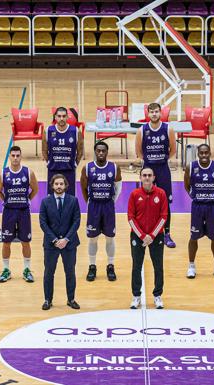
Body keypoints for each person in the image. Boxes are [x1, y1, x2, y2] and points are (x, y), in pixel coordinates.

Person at [135, 103, 177, 248]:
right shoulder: (142, 130)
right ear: (148, 114)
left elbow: (173, 149)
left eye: (156, 112)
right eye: (151, 112)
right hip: (148, 167)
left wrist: (162, 159)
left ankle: (167, 233)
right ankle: (144, 232)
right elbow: (139, 151)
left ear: (161, 113)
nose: (154, 114)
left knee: (165, 201)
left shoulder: (168, 129)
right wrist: (148, 163)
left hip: (163, 168)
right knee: (144, 200)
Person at [0, 146, 39, 283]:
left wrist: (26, 200)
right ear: (9, 157)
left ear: (21, 156)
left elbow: (35, 189)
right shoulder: (2, 173)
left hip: (23, 211)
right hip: (9, 211)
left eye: (17, 155)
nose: (15, 158)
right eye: (13, 155)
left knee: (25, 241)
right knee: (6, 242)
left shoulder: (28, 172)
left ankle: (26, 269)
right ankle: (6, 270)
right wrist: (7, 201)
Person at [80, 141, 122, 282]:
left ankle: (110, 265)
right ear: (95, 152)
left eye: (103, 151)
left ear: (107, 152)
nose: (101, 153)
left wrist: (111, 201)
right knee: (93, 238)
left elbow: (118, 188)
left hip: (108, 207)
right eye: (98, 150)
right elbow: (84, 188)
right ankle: (92, 266)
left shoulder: (114, 168)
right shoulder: (87, 168)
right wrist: (89, 203)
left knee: (110, 237)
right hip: (94, 207)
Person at [127, 167, 168, 310]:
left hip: (156, 237)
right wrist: (143, 236)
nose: (147, 178)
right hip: (138, 236)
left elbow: (164, 217)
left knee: (158, 266)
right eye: (144, 175)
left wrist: (152, 235)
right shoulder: (134, 194)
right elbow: (131, 218)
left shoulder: (161, 193)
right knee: (136, 266)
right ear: (140, 178)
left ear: (154, 177)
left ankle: (158, 295)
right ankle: (136, 296)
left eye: (149, 175)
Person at [39, 174, 81, 310]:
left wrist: (66, 239)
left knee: (70, 272)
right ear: (52, 186)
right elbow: (43, 223)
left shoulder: (73, 201)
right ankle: (47, 300)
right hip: (51, 244)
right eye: (56, 184)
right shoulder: (45, 202)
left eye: (61, 184)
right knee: (49, 273)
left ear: (65, 186)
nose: (59, 186)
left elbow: (76, 221)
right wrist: (55, 240)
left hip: (69, 244)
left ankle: (71, 299)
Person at [183, 143, 214, 279]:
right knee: (193, 237)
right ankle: (191, 266)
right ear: (198, 154)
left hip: (212, 207)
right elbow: (186, 185)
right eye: (201, 153)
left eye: (206, 152)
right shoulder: (191, 167)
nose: (204, 155)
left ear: (210, 153)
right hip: (197, 207)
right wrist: (194, 196)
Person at [42, 107, 83, 196]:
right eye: (59, 116)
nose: (61, 118)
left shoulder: (75, 131)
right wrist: (49, 162)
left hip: (69, 170)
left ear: (67, 117)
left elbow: (80, 150)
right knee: (52, 199)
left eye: (64, 116)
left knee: (70, 198)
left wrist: (75, 163)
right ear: (55, 117)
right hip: (53, 169)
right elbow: (44, 150)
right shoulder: (48, 130)